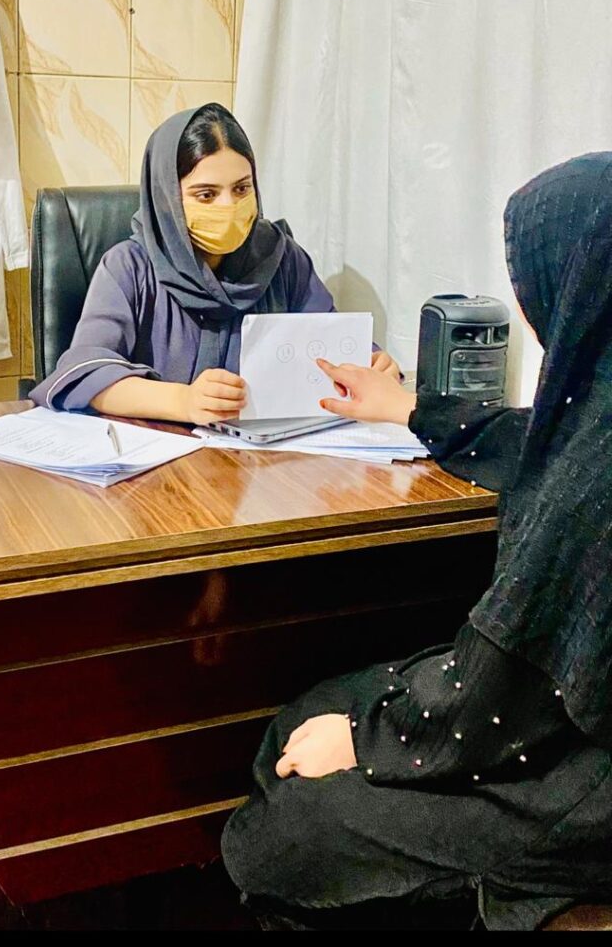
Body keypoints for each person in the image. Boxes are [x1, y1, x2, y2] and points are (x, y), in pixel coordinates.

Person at [220, 151, 612, 931]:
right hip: (552, 731)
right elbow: (531, 441)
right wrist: (407, 407)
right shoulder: (592, 425)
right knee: (303, 718)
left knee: (283, 837)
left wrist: (365, 743)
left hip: (578, 787)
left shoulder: (595, 476)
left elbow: (505, 697)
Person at [30, 103, 399, 422]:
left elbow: (331, 345)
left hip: (267, 466)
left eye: (241, 189)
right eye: (206, 195)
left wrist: (372, 366)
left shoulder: (282, 258)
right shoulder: (128, 267)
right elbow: (85, 375)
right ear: (167, 199)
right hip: (161, 469)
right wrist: (182, 401)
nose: (229, 207)